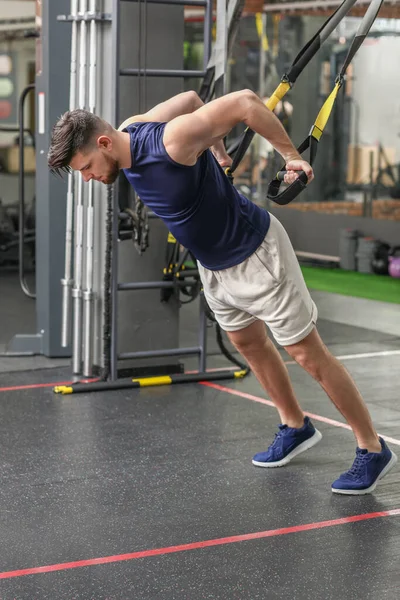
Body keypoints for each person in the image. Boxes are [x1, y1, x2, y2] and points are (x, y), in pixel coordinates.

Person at [48, 89, 397, 495]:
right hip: (213, 266)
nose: (89, 177)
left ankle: (372, 448)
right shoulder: (129, 131)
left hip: (256, 254)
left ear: (104, 143)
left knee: (307, 354)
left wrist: (291, 157)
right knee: (248, 343)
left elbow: (246, 103)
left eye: (87, 166)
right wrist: (218, 151)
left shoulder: (169, 141)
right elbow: (194, 97)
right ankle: (295, 425)